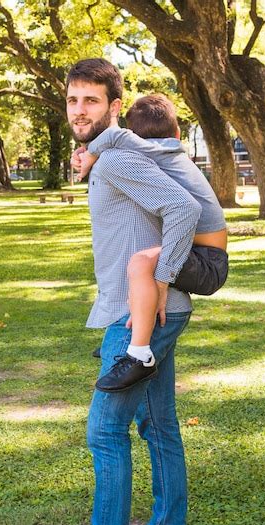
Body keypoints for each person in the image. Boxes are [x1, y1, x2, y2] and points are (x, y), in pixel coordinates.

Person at [34, 58, 202, 525]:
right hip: (160, 307)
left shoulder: (116, 161)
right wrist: (91, 157)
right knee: (158, 424)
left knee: (105, 430)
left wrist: (158, 282)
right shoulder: (117, 152)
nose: (79, 110)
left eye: (91, 100)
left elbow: (181, 209)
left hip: (141, 312)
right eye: (72, 100)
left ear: (113, 105)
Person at [73, 94, 228, 392]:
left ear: (135, 136)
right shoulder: (167, 153)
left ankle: (138, 354)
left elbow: (115, 136)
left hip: (209, 262)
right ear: (178, 132)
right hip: (205, 254)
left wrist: (91, 150)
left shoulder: (154, 150)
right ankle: (119, 343)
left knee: (142, 262)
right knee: (142, 259)